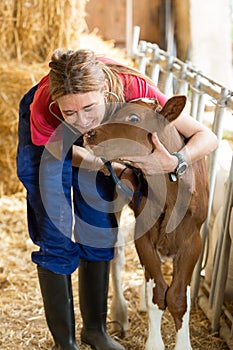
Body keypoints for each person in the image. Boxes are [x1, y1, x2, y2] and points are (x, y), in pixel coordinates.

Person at [16, 49, 218, 350]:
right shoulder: (44, 107)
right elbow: (62, 152)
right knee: (55, 228)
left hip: (106, 137)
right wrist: (113, 166)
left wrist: (174, 161)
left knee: (98, 226)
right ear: (57, 105)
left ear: (106, 92)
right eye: (70, 112)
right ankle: (65, 343)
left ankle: (95, 331)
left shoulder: (135, 89)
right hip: (54, 146)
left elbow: (208, 136)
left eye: (89, 108)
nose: (82, 121)